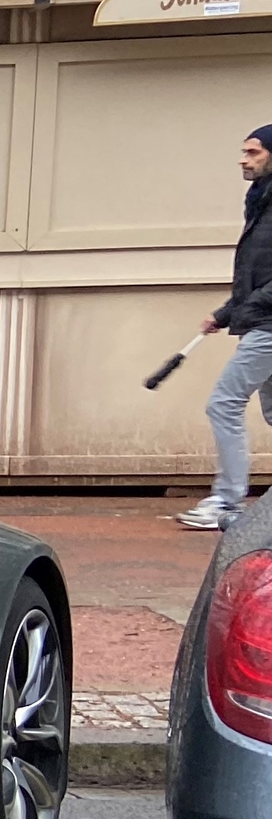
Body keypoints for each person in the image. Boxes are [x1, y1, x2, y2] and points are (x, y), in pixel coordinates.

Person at [180, 125, 272, 531]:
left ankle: (228, 502)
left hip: (268, 326)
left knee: (223, 404)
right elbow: (256, 274)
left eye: (252, 152)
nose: (243, 158)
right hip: (260, 319)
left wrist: (244, 310)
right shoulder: (261, 203)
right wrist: (224, 313)